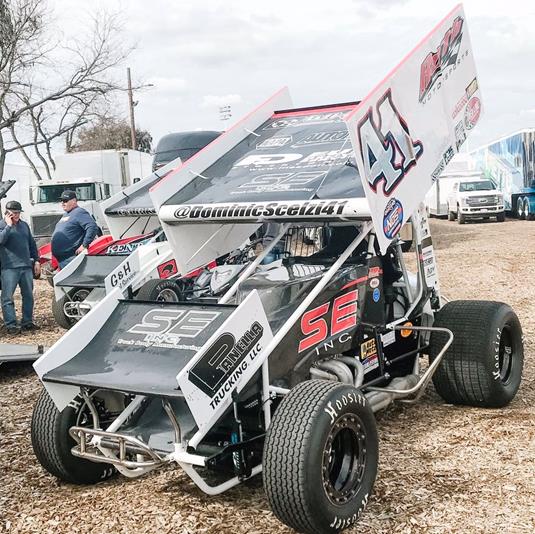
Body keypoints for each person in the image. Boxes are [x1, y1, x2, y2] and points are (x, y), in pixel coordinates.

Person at [0, 200, 41, 334]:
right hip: (9, 267)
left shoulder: (24, 226)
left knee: (28, 295)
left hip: (26, 266)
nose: (17, 215)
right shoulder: (2, 225)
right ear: (8, 213)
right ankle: (11, 325)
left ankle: (27, 322)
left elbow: (31, 244)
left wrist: (36, 260)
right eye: (14, 213)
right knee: (7, 297)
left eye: (18, 213)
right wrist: (8, 226)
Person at [51, 190, 99, 269]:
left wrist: (84, 245)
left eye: (65, 201)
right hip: (62, 260)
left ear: (74, 201)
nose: (63, 203)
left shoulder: (79, 212)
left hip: (71, 257)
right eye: (62, 201)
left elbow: (92, 226)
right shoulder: (66, 214)